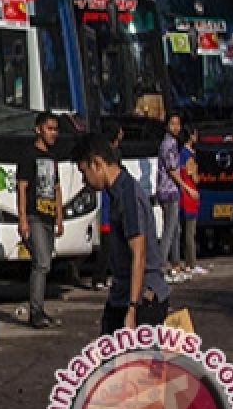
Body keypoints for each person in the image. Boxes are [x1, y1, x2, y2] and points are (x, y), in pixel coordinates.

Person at [71, 133, 171, 334]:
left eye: (84, 172)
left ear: (97, 164)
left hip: (143, 298)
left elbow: (139, 254)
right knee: (108, 360)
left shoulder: (128, 194)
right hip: (121, 294)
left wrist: (133, 309)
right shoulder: (115, 192)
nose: (84, 180)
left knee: (134, 363)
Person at [17, 111, 63, 329]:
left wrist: (60, 217)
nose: (53, 133)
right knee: (41, 263)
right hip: (34, 215)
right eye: (49, 128)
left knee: (46, 263)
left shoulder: (53, 157)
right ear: (38, 129)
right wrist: (23, 218)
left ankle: (40, 308)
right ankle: (35, 312)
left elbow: (56, 187)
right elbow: (22, 187)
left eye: (55, 129)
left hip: (49, 215)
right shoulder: (28, 154)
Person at [89, 118, 124, 290]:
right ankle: (99, 277)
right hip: (108, 206)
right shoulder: (112, 154)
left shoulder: (109, 152)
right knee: (107, 246)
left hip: (109, 204)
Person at [156, 112, 185, 278]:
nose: (176, 127)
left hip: (171, 190)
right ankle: (160, 266)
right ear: (167, 125)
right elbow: (172, 170)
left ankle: (175, 264)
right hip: (168, 191)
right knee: (169, 230)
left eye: (178, 123)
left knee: (175, 229)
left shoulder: (173, 142)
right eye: (173, 123)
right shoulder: (168, 144)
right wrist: (186, 188)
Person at [178, 126, 205, 277]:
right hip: (191, 195)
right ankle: (192, 263)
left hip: (184, 195)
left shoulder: (181, 153)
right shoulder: (189, 156)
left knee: (186, 231)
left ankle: (189, 262)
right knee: (190, 232)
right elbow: (194, 177)